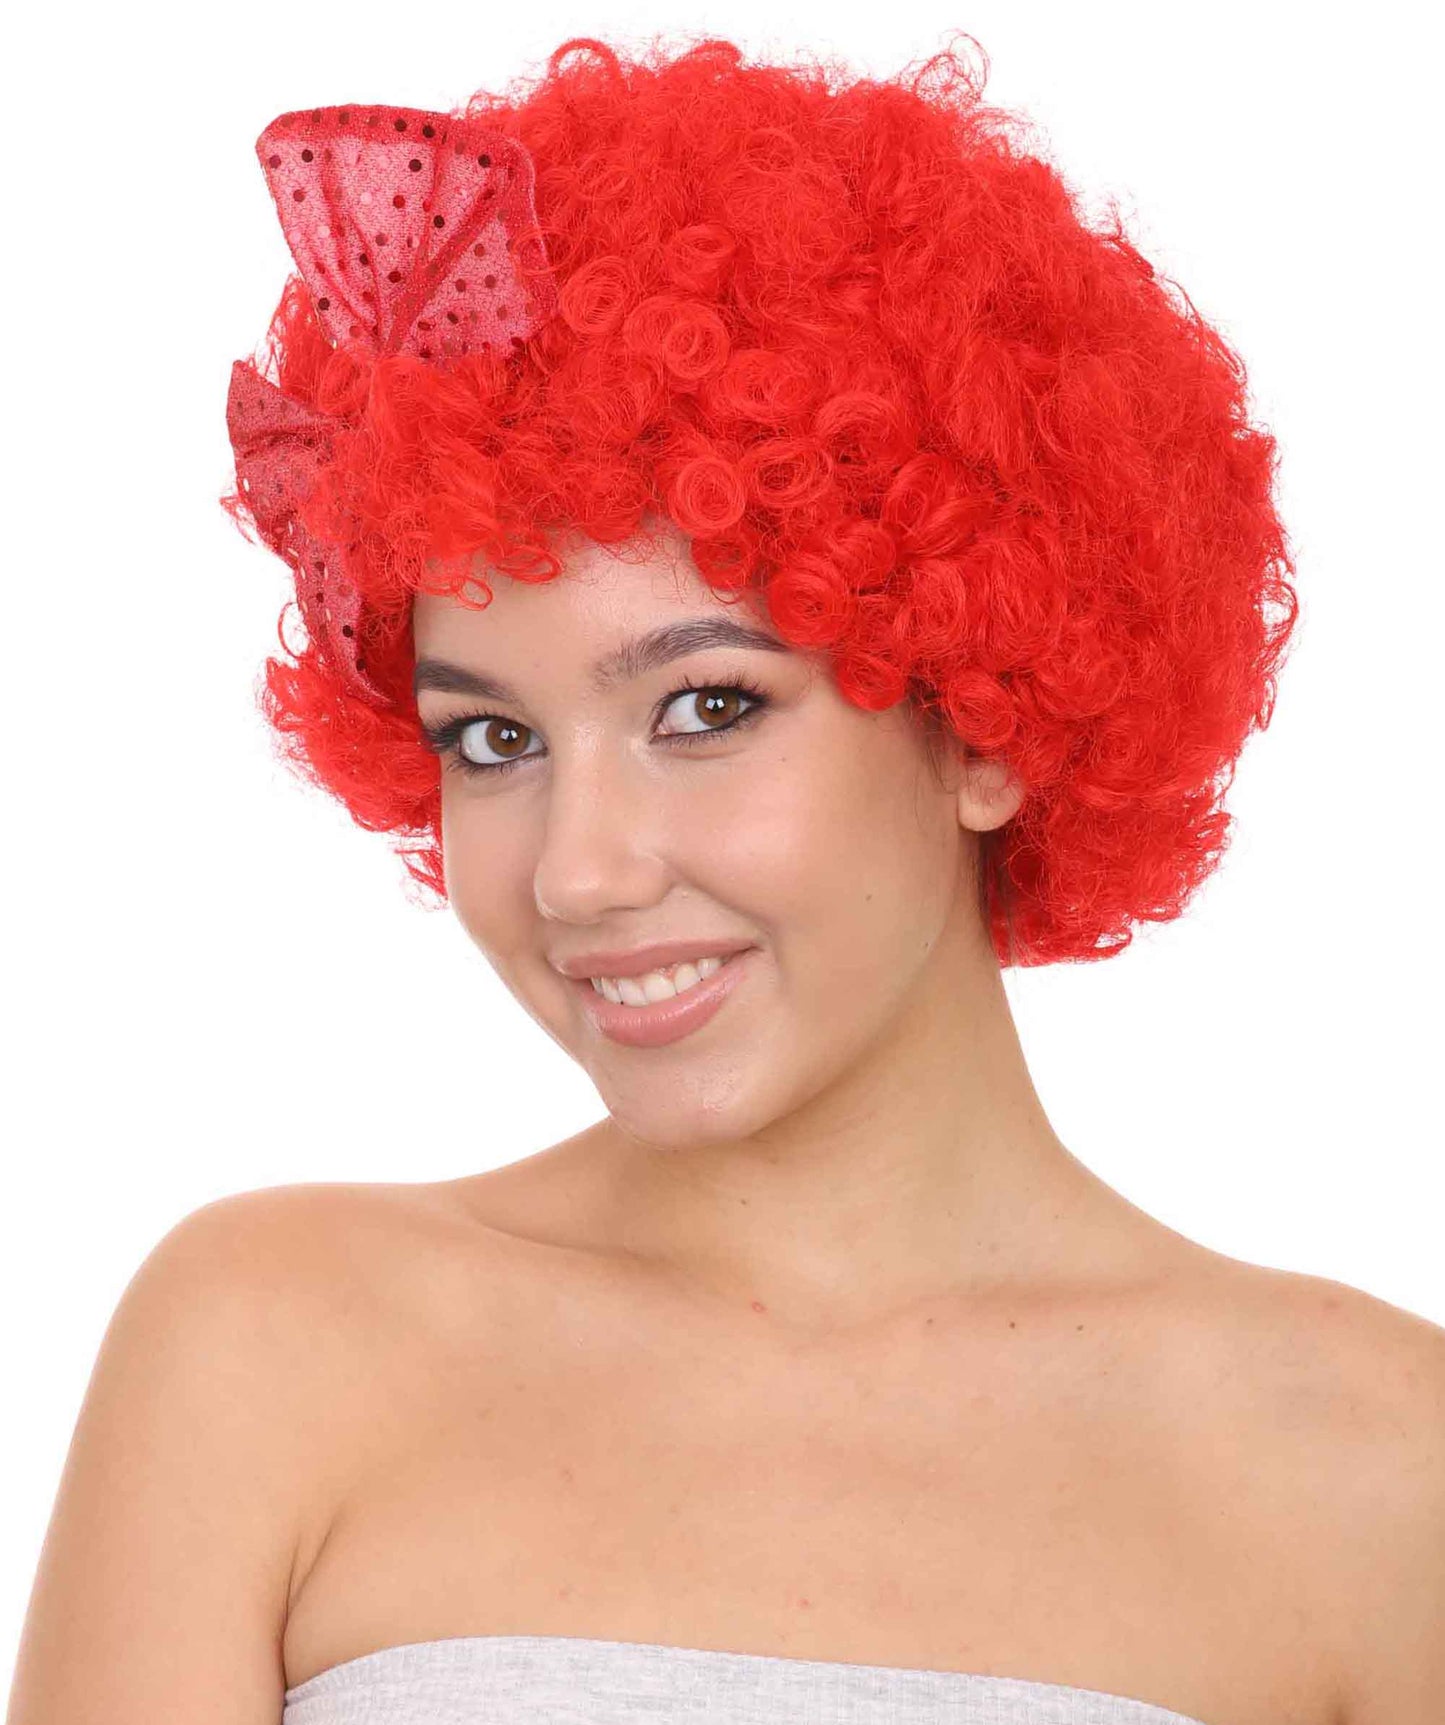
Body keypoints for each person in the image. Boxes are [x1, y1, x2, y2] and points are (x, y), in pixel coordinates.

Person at [8, 31, 1443, 1725]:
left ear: (981, 721)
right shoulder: (269, 1345)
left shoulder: (1377, 1472)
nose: (580, 872)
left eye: (705, 707)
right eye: (493, 738)